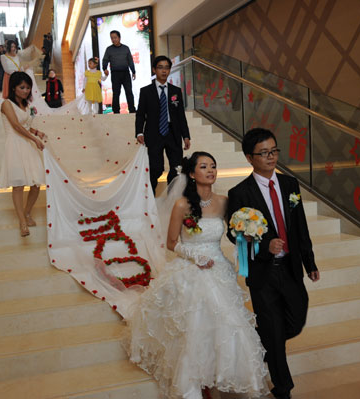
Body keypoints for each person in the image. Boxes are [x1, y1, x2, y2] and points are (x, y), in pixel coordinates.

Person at [128, 152, 269, 399]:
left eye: (213, 166)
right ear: (192, 174)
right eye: (204, 167)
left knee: (229, 322)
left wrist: (246, 233)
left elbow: (234, 231)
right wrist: (195, 257)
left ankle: (222, 376)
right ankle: (193, 386)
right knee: (196, 327)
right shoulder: (182, 204)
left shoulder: (224, 201)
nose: (210, 170)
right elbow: (171, 243)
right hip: (191, 268)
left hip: (219, 268)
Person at [226, 128, 320, 399]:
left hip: (290, 269)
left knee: (296, 319)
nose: (270, 157)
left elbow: (299, 226)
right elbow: (235, 235)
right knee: (275, 333)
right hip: (263, 273)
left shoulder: (290, 185)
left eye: (274, 151)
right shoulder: (240, 192)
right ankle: (283, 388)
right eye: (264, 153)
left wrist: (309, 262)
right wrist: (265, 245)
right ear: (249, 157)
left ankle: (260, 341)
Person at [0, 72, 47, 237]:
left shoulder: (26, 106)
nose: (26, 91)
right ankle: (22, 221)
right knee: (18, 185)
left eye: (28, 88)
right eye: (22, 87)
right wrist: (34, 139)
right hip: (15, 144)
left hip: (27, 144)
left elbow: (25, 126)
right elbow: (17, 127)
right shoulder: (6, 104)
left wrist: (37, 132)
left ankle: (27, 212)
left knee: (36, 183)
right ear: (13, 87)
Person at [136, 55, 190, 195]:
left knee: (176, 168)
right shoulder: (146, 91)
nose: (164, 71)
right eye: (160, 67)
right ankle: (150, 198)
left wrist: (186, 136)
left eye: (167, 68)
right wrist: (139, 132)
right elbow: (140, 114)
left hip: (173, 133)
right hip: (154, 134)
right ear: (154, 70)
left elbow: (180, 116)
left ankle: (172, 198)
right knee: (156, 168)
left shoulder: (175, 91)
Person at [102, 30, 136, 113]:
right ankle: (116, 111)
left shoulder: (126, 48)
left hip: (125, 73)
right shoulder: (109, 49)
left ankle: (132, 110)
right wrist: (105, 68)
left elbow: (130, 61)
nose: (113, 39)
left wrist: (133, 71)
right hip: (115, 74)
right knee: (116, 93)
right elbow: (105, 60)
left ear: (119, 38)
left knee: (129, 91)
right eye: (112, 38)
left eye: (115, 37)